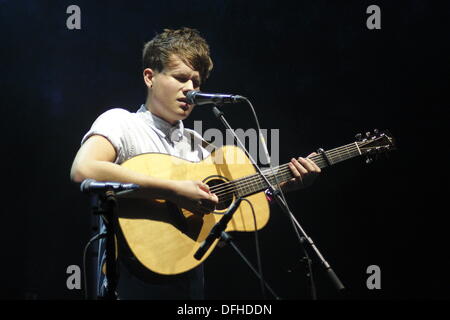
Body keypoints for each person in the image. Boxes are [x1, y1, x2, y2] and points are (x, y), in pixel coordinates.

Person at [70, 27, 321, 300]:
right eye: (180, 78)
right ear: (150, 77)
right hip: (130, 280)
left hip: (189, 284)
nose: (189, 89)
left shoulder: (198, 144)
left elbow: (224, 208)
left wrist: (284, 186)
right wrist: (173, 190)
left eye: (196, 82)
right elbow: (84, 169)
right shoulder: (121, 122)